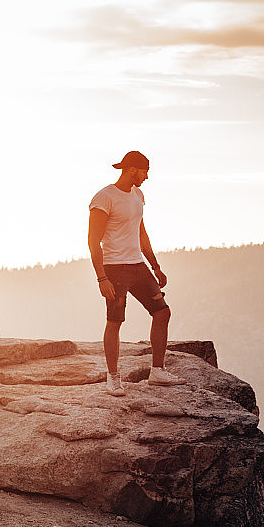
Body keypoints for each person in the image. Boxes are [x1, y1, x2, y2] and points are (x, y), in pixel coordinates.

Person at [88, 150, 186, 394]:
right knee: (115, 321)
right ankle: (113, 378)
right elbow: (93, 241)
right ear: (132, 169)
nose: (146, 177)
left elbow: (141, 233)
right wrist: (101, 278)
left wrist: (155, 266)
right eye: (145, 172)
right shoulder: (104, 198)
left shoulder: (138, 195)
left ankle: (158, 371)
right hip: (114, 268)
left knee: (162, 312)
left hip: (138, 266)